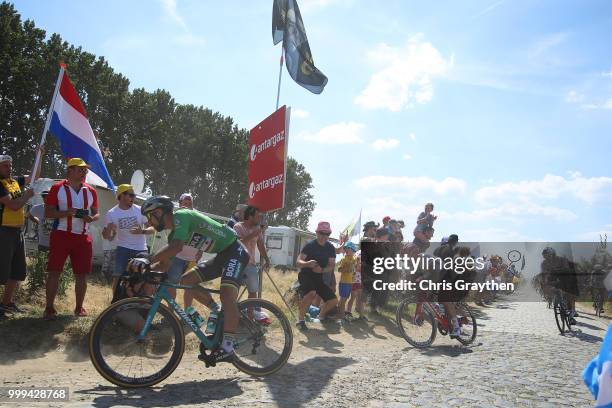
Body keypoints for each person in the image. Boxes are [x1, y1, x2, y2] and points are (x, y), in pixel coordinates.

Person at [133, 196, 249, 364]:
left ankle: (228, 347)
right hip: (222, 254)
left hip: (235, 251)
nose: (149, 221)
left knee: (226, 294)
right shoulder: (173, 233)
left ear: (160, 212)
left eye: (150, 216)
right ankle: (218, 311)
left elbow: (177, 247)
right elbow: (166, 264)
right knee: (186, 280)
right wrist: (144, 271)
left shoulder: (182, 216)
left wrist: (149, 260)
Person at [44, 158, 99, 319]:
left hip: (83, 237)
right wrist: (66, 213)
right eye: (80, 169)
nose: (84, 172)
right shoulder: (57, 188)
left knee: (82, 274)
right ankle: (49, 308)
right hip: (61, 234)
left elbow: (97, 213)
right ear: (70, 170)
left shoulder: (91, 191)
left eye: (85, 170)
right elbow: (47, 213)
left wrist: (92, 218)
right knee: (54, 272)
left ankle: (79, 308)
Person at [0, 154, 36, 319]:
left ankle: (7, 303)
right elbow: (14, 205)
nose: (10, 167)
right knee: (2, 270)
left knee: (16, 269)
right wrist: (27, 196)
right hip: (4, 231)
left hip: (17, 231)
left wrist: (40, 155)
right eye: (5, 165)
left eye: (10, 164)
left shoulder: (15, 181)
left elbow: (35, 175)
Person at [102, 184, 154, 292]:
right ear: (121, 196)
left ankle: (138, 302)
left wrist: (143, 231)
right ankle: (115, 302)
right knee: (118, 276)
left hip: (141, 249)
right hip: (123, 248)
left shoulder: (140, 210)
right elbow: (106, 236)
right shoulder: (111, 214)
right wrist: (109, 229)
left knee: (141, 278)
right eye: (130, 195)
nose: (133, 198)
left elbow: (153, 229)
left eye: (133, 195)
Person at [295, 221, 339, 331]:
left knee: (333, 300)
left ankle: (319, 317)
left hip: (318, 277)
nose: (324, 236)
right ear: (317, 232)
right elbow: (298, 262)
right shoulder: (309, 246)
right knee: (311, 293)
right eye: (322, 233)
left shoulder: (330, 248)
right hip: (305, 275)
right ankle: (300, 320)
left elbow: (331, 265)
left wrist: (322, 270)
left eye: (327, 234)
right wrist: (308, 263)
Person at [233, 205, 271, 323]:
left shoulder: (257, 229)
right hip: (237, 263)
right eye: (257, 216)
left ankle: (250, 319)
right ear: (250, 216)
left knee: (253, 292)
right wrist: (258, 231)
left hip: (250, 264)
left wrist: (267, 259)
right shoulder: (237, 226)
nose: (260, 219)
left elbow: (260, 245)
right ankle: (232, 317)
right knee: (233, 291)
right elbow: (241, 242)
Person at [541, 247, 579, 324]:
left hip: (564, 276)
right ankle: (551, 298)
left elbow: (566, 269)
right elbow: (544, 274)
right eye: (545, 256)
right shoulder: (544, 263)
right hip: (552, 277)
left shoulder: (561, 259)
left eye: (548, 255)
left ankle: (572, 313)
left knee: (570, 292)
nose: (546, 257)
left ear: (552, 254)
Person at [337, 241, 358, 319]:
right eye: (345, 248)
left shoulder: (353, 258)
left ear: (353, 250)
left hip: (350, 282)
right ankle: (340, 315)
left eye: (348, 248)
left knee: (345, 299)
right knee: (343, 299)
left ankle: (340, 313)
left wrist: (354, 273)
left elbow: (353, 270)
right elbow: (339, 269)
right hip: (344, 282)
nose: (346, 250)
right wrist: (346, 268)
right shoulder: (344, 258)